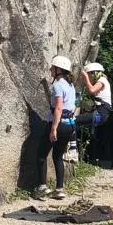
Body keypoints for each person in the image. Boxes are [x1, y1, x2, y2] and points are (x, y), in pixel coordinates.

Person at [35, 56, 76, 200]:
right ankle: (59, 188)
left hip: (58, 123)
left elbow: (58, 107)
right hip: (69, 124)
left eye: (52, 68)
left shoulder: (58, 85)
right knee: (58, 156)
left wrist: (53, 128)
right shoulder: (70, 85)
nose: (51, 69)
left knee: (41, 154)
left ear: (58, 70)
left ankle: (42, 187)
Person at [76, 62, 113, 161]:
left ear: (94, 73)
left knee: (72, 121)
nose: (89, 77)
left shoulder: (102, 80)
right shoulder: (101, 80)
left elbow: (92, 90)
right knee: (76, 123)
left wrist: (85, 78)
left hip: (100, 114)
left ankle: (71, 148)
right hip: (100, 113)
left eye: (89, 75)